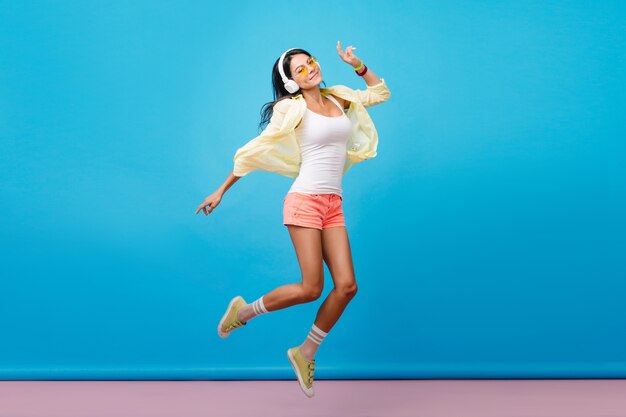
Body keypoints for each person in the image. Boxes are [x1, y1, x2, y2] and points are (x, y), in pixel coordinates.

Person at [195, 41, 391, 398]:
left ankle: (305, 352)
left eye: (311, 62)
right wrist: (221, 189)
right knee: (310, 288)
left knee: (347, 287)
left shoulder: (339, 97)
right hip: (304, 202)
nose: (310, 69)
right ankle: (243, 312)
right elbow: (257, 148)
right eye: (300, 69)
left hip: (334, 203)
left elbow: (380, 93)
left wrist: (357, 64)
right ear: (290, 82)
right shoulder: (290, 108)